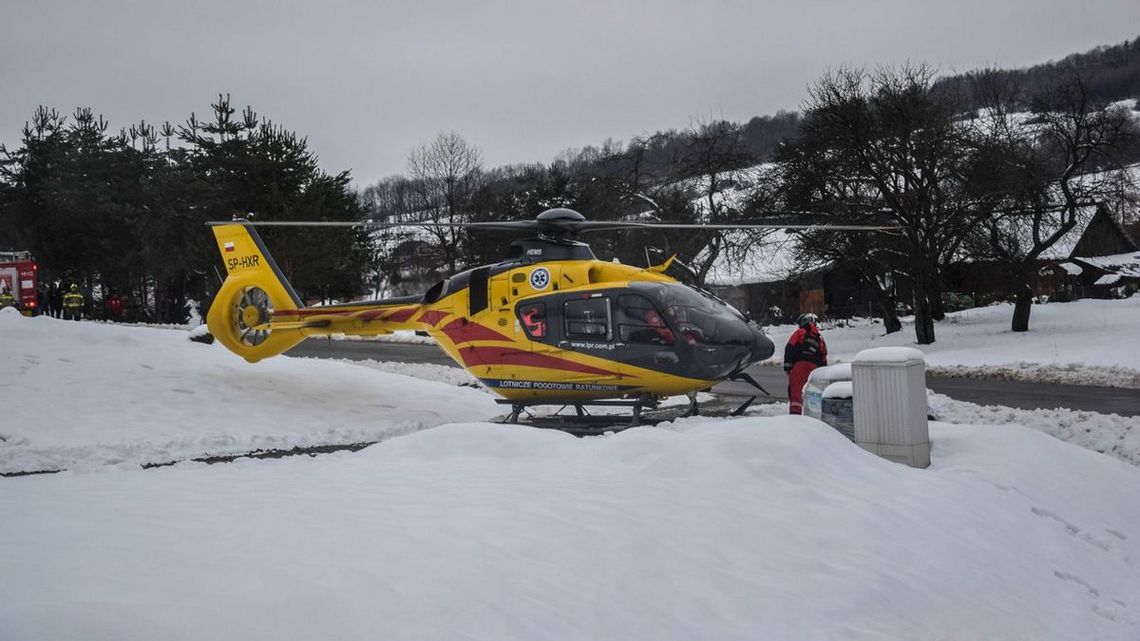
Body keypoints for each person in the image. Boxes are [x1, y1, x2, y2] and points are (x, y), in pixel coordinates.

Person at [783, 313, 828, 415]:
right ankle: (813, 417)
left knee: (796, 394)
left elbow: (790, 348)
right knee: (814, 395)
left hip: (800, 366)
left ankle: (795, 418)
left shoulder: (799, 333)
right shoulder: (820, 339)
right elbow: (824, 357)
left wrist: (788, 367)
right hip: (815, 369)